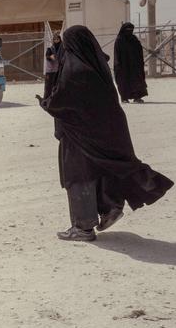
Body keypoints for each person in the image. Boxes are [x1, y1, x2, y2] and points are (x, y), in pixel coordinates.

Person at [40, 26, 172, 242]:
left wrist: (49, 74)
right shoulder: (95, 66)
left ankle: (82, 228)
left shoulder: (74, 72)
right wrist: (55, 60)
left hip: (78, 136)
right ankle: (110, 207)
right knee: (101, 167)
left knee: (78, 176)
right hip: (104, 132)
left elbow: (54, 102)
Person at [114, 22, 148, 104]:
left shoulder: (134, 39)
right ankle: (124, 98)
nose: (130, 32)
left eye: (131, 30)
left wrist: (139, 63)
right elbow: (117, 54)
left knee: (136, 80)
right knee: (123, 81)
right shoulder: (119, 40)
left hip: (134, 65)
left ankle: (137, 97)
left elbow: (139, 51)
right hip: (123, 65)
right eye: (128, 30)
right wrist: (118, 65)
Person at [43, 33, 62, 99]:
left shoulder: (62, 49)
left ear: (60, 40)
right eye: (55, 39)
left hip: (59, 70)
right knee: (49, 86)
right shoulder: (50, 49)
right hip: (50, 71)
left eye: (57, 39)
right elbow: (47, 56)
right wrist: (51, 57)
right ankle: (47, 99)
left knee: (57, 85)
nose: (56, 41)